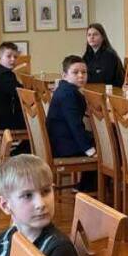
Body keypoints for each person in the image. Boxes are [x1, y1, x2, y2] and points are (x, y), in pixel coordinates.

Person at [46, 56, 96, 189]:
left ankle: (87, 185)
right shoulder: (69, 94)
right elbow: (75, 125)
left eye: (84, 72)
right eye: (75, 72)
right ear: (64, 75)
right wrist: (89, 150)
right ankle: (89, 187)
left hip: (58, 140)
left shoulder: (64, 89)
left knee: (100, 139)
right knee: (107, 145)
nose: (81, 76)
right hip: (63, 145)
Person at [81, 22, 124, 87]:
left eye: (95, 34)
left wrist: (85, 77)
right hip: (94, 87)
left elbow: (104, 79)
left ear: (103, 37)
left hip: (112, 89)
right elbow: (82, 71)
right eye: (89, 35)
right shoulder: (88, 54)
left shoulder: (109, 55)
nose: (91, 37)